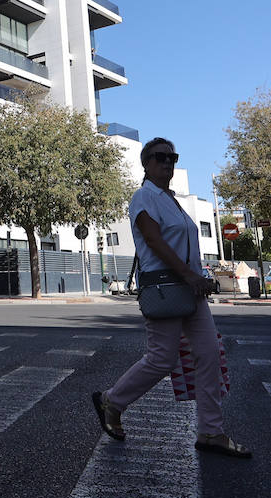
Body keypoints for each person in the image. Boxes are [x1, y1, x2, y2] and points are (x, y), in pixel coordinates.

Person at [91, 137, 252, 457]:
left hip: (192, 291)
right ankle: (112, 401)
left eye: (172, 157)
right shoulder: (143, 197)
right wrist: (189, 275)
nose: (168, 162)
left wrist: (197, 278)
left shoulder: (173, 200)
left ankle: (211, 432)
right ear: (146, 163)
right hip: (166, 289)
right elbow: (154, 241)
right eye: (160, 157)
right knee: (162, 358)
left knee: (208, 354)